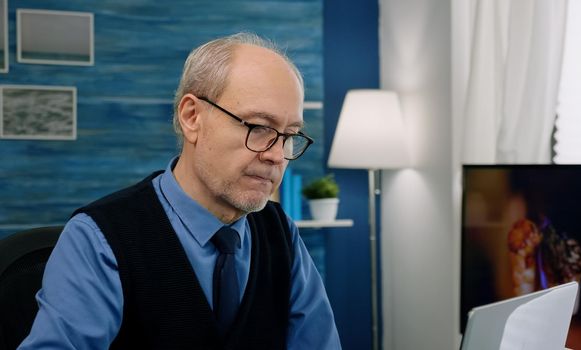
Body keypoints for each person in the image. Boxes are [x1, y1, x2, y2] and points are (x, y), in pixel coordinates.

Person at [19, 32, 341, 349]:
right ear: (192, 117)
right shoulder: (100, 238)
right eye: (258, 128)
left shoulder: (281, 234)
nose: (275, 154)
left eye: (289, 135)